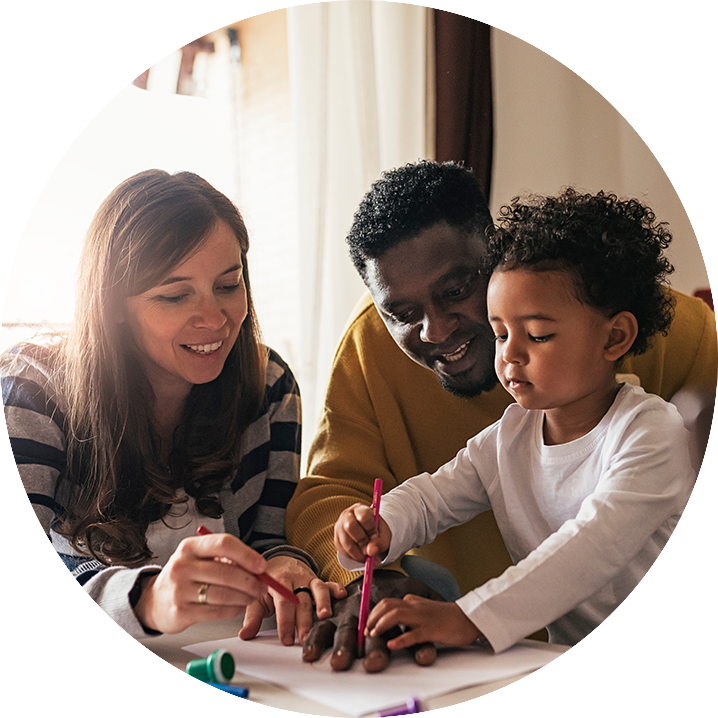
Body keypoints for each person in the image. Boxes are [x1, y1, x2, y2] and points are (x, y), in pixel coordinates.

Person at [287, 161, 717, 664]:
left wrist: (468, 617)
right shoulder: (513, 432)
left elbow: (587, 547)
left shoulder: (651, 432)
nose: (435, 331)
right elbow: (433, 496)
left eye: (535, 335)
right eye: (500, 332)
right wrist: (379, 528)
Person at [1, 169, 344, 642]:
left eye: (228, 285)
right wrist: (149, 599)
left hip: (234, 663)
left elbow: (267, 538)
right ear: (114, 305)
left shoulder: (269, 386)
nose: (215, 319)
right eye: (174, 295)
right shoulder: (30, 393)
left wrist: (287, 564)